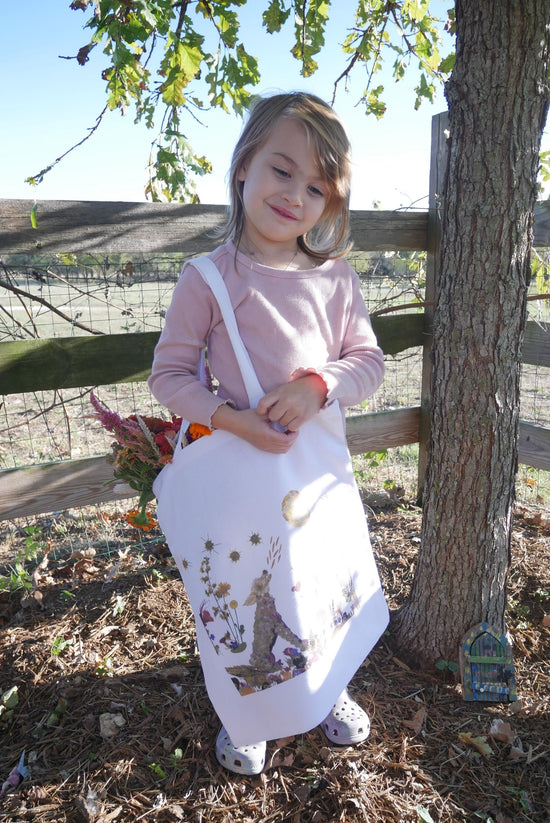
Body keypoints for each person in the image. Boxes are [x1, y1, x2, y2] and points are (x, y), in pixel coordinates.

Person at [148, 91, 388, 775]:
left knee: (316, 585)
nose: (295, 194)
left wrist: (317, 386)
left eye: (317, 186)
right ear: (244, 166)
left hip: (314, 477)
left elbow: (366, 361)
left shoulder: (335, 279)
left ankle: (328, 686)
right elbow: (169, 375)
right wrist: (232, 420)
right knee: (251, 594)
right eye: (282, 170)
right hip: (241, 482)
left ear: (331, 204)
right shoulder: (209, 278)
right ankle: (247, 712)